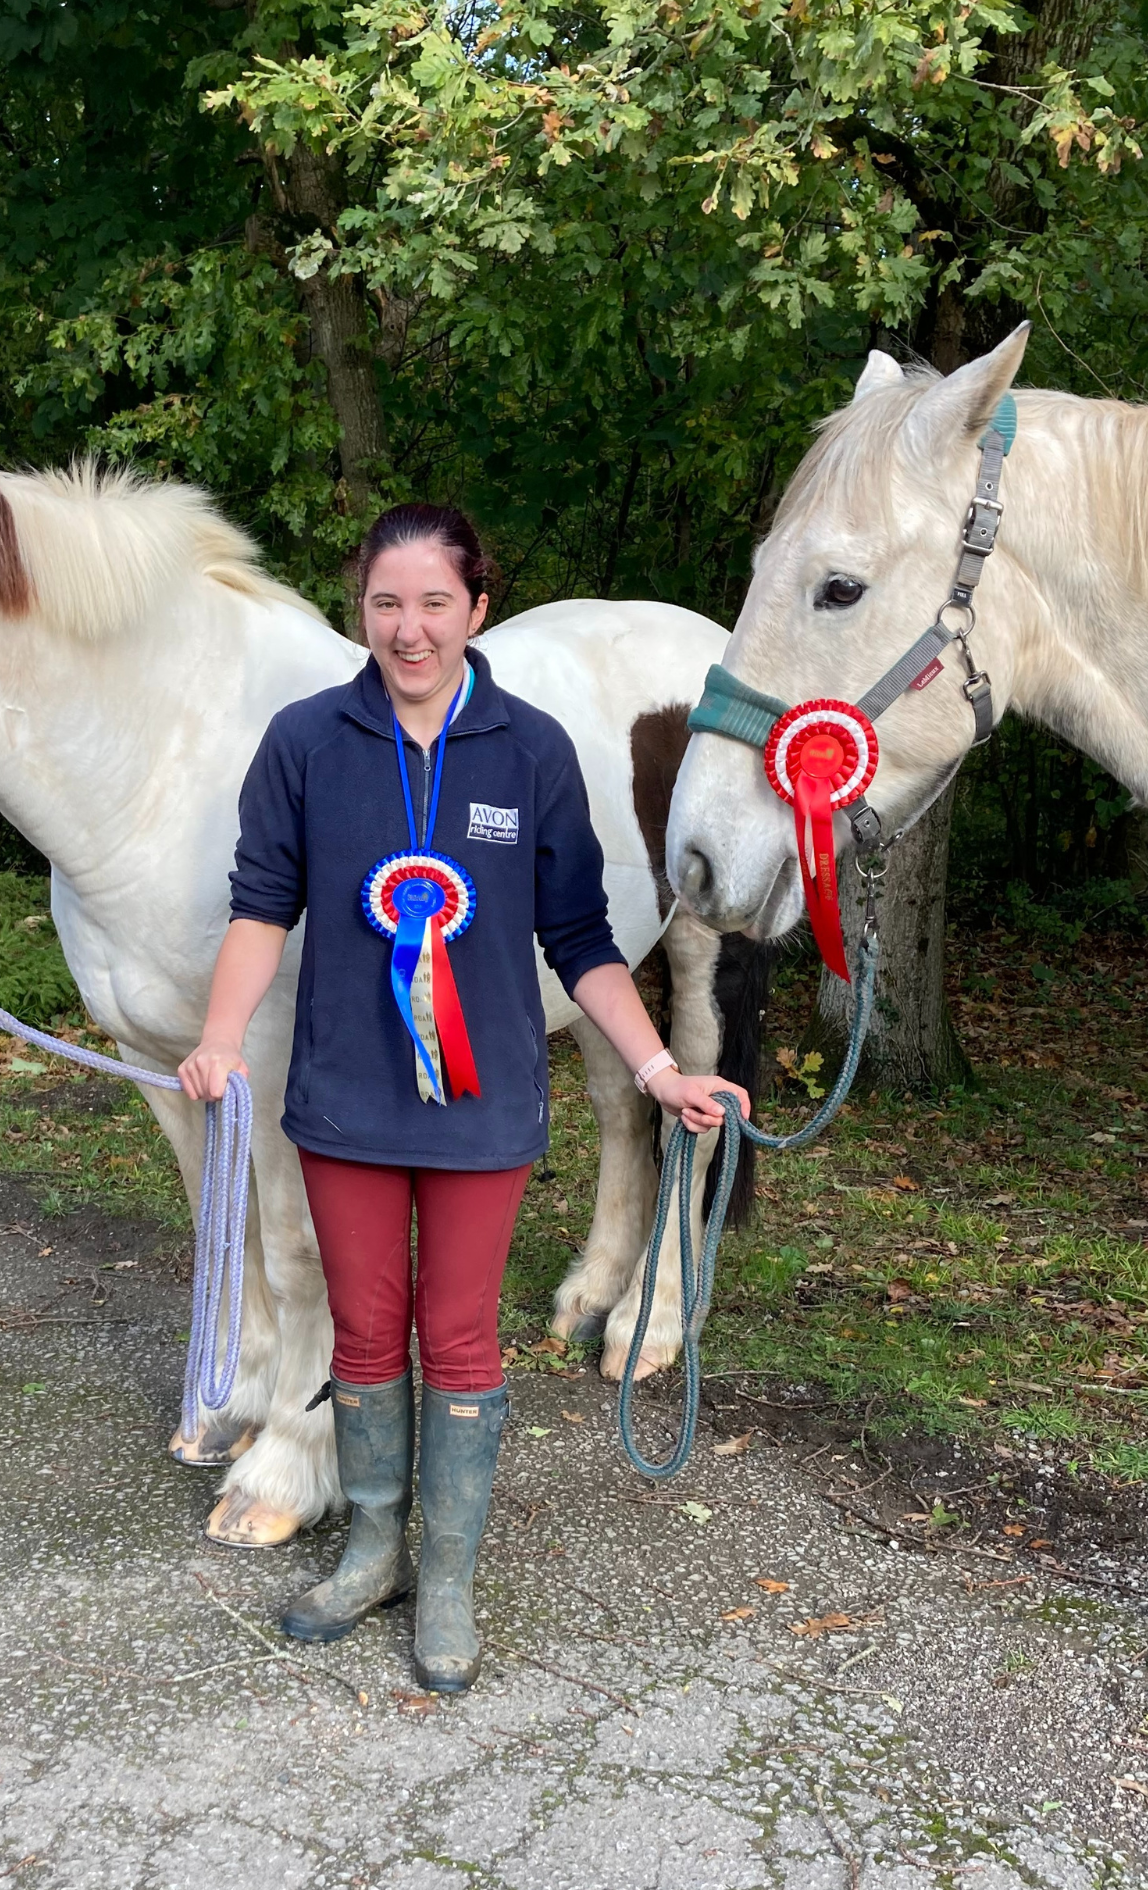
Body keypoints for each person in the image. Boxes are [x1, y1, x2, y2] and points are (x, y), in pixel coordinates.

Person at [179, 503, 748, 1693]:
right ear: (362, 613)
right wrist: (221, 1040)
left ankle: (448, 1580)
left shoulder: (532, 751)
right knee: (368, 1331)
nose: (409, 628)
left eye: (435, 602)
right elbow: (257, 907)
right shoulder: (305, 744)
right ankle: (376, 1549)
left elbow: (585, 939)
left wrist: (658, 1070)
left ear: (477, 608)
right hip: (342, 1103)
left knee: (462, 1336)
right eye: (387, 603)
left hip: (480, 1117)